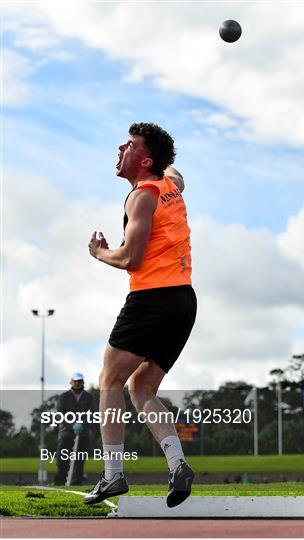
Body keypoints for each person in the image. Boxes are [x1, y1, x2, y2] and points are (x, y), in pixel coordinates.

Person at [85, 122, 197, 507]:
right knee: (141, 388)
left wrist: (99, 252)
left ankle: (113, 475)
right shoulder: (170, 185)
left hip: (152, 297)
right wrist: (164, 163)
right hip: (184, 301)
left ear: (145, 159)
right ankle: (177, 463)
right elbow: (176, 173)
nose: (120, 147)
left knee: (110, 379)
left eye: (129, 145)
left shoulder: (142, 196)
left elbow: (131, 257)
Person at [54, 373, 95, 485]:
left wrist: (83, 424)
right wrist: (71, 425)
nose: (77, 383)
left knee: (79, 460)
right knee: (62, 459)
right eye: (75, 381)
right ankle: (60, 483)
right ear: (71, 382)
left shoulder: (88, 397)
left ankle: (76, 484)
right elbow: (60, 414)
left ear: (83, 382)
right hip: (66, 433)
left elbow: (92, 414)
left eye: (79, 381)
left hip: (83, 433)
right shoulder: (64, 397)